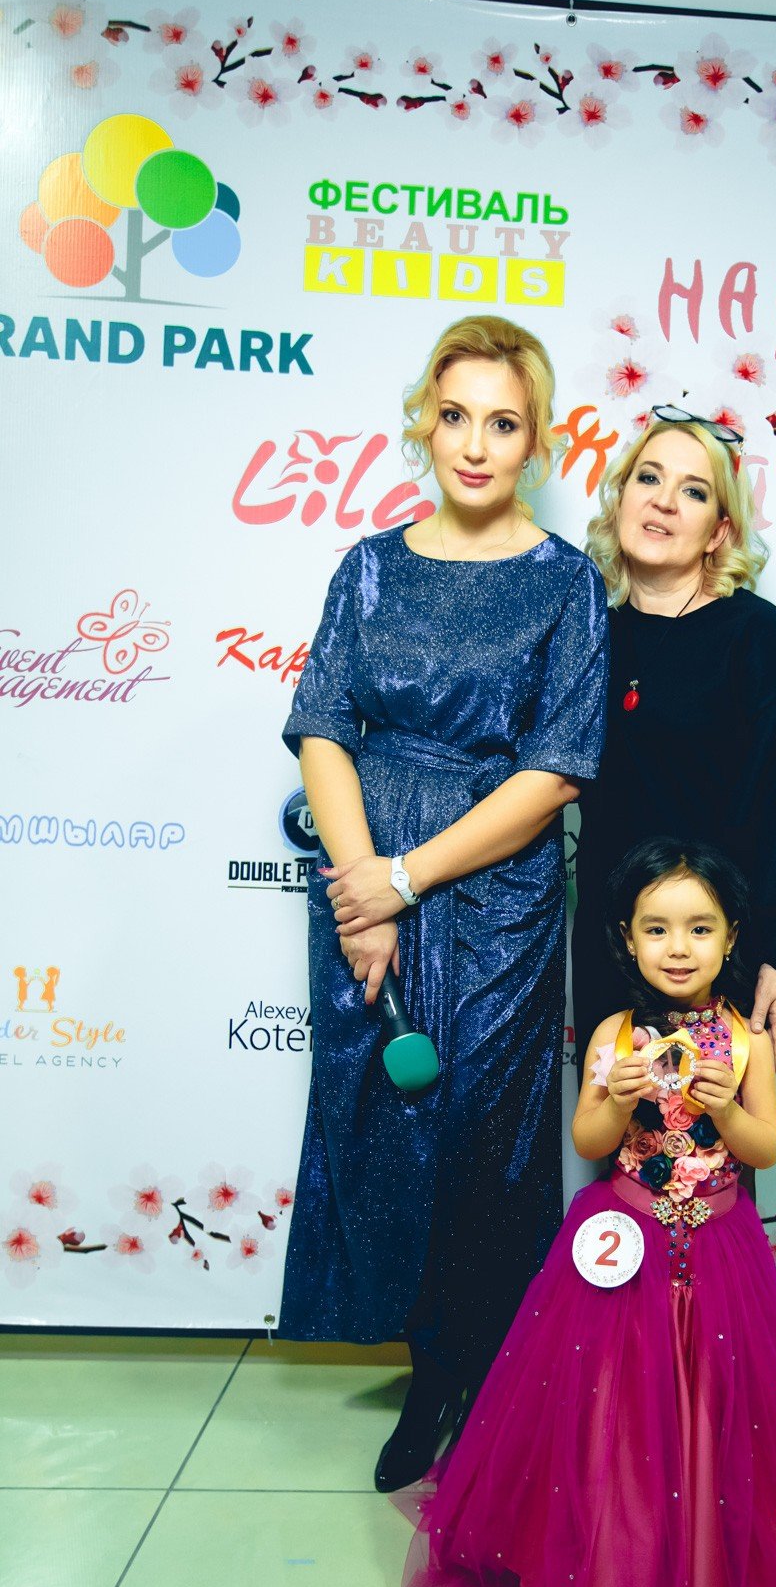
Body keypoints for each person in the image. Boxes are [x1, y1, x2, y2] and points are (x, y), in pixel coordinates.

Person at [396, 839, 776, 1587]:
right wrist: (616, 1094)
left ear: (732, 939)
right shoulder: (612, 1032)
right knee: (616, 1416)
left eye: (700, 928)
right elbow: (590, 1137)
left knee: (709, 1415)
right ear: (627, 939)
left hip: (717, 1252)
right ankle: (612, 1585)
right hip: (624, 1248)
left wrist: (727, 1108)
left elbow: (765, 1148)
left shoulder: (747, 1040)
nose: (678, 947)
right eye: (657, 929)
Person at [277, 315, 609, 1491]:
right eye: (455, 415)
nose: (473, 444)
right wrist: (364, 893)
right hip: (365, 877)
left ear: (535, 441)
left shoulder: (565, 583)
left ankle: (484, 1372)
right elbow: (324, 726)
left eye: (502, 423)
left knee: (483, 1134)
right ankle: (428, 1369)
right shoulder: (367, 567)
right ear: (423, 422)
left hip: (497, 895)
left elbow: (556, 769)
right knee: (386, 1121)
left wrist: (408, 878)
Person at [574, 407, 776, 1144]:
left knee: (719, 1167)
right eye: (648, 478)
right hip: (618, 950)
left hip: (726, 955)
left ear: (720, 531)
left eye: (694, 490)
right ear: (620, 499)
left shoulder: (755, 633)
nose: (664, 501)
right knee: (625, 1159)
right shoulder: (585, 634)